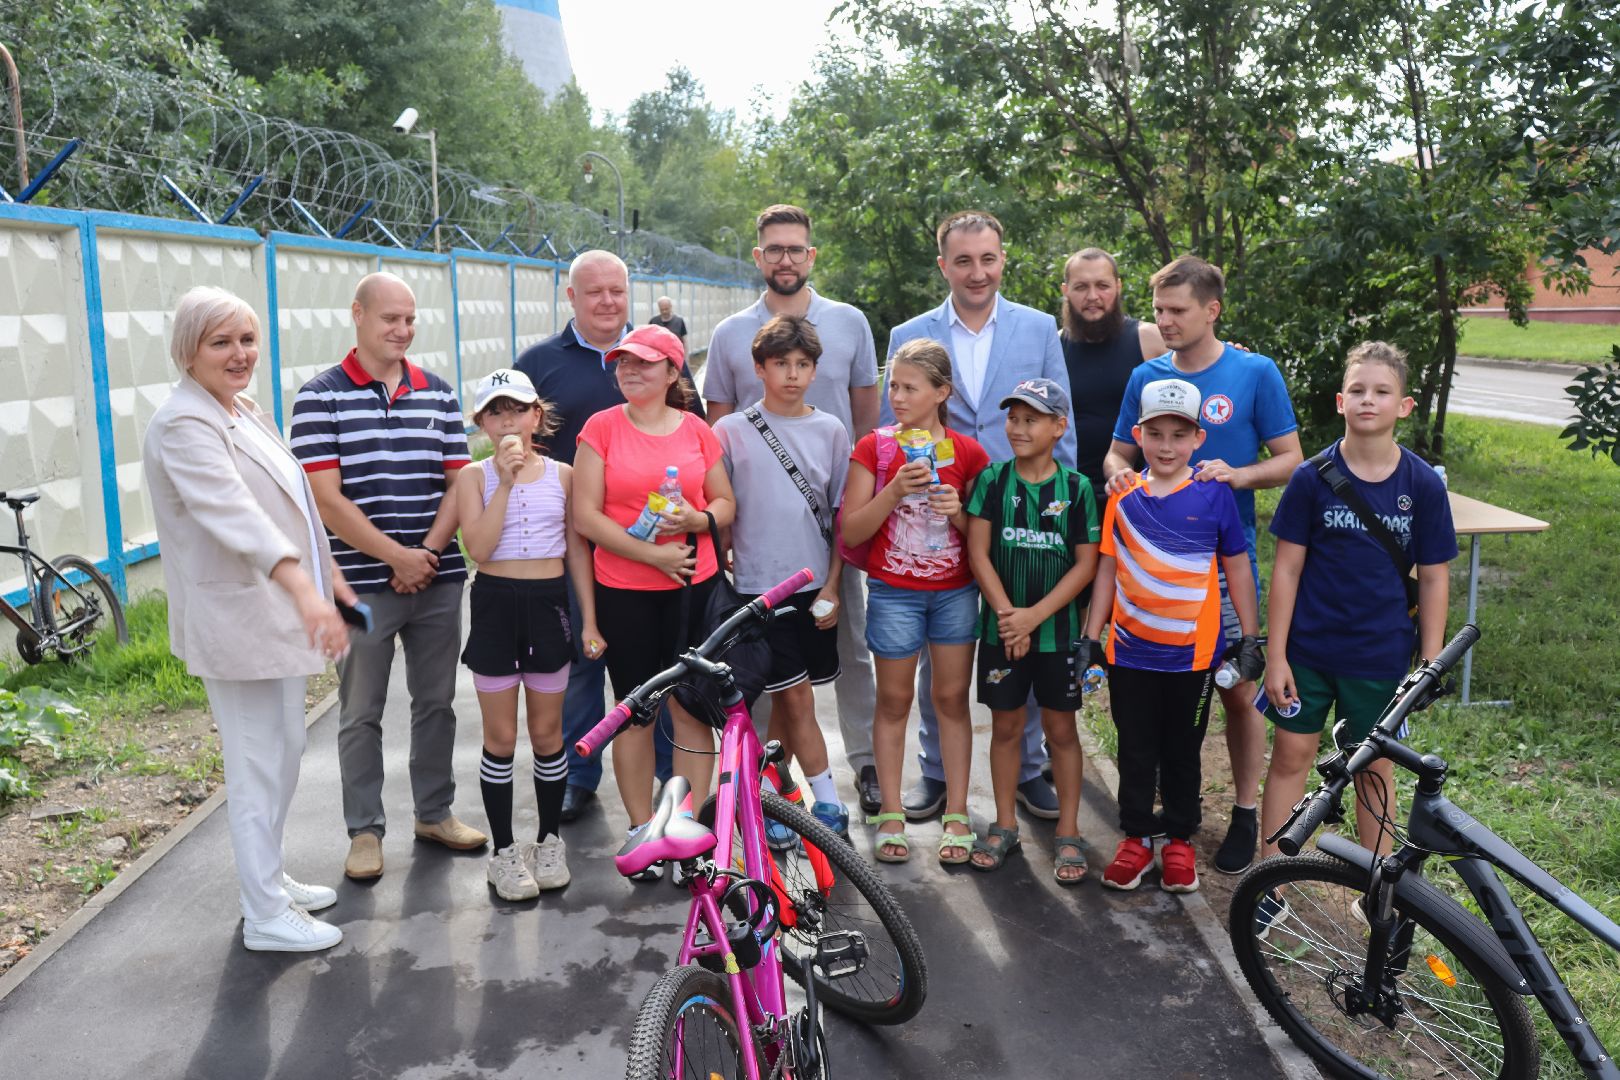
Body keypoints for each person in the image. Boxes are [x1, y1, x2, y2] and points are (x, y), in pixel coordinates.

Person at [144, 286, 355, 952]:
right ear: (189, 351)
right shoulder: (184, 424)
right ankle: (264, 912)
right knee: (256, 761)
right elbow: (234, 513)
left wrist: (331, 579)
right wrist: (302, 587)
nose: (240, 354)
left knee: (284, 751)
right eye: (221, 342)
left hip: (273, 611)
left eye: (247, 339)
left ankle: (269, 880)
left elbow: (292, 502)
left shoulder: (242, 409)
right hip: (238, 616)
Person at [1102, 254, 1302, 875]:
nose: (1164, 321)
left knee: (1238, 693)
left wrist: (1239, 475)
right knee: (1150, 703)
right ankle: (1154, 824)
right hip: (1152, 565)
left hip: (1222, 559)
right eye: (1158, 309)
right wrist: (1121, 478)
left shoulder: (1254, 371)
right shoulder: (1147, 375)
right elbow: (1116, 454)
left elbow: (1293, 458)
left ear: (1211, 310)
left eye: (1177, 311)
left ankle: (1245, 813)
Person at [291, 271, 487, 881]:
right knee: (361, 711)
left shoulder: (440, 392)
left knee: (436, 704)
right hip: (359, 583)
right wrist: (394, 558)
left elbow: (460, 482)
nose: (402, 330)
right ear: (357, 315)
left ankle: (434, 812)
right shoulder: (319, 397)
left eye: (409, 319)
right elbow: (326, 499)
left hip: (437, 577)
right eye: (389, 319)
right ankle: (364, 831)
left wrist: (423, 553)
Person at [884, 209, 1074, 825]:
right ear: (943, 264)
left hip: (1019, 518)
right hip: (936, 520)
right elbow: (899, 422)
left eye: (987, 259)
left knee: (1028, 641)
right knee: (939, 657)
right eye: (963, 260)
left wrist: (1058, 512)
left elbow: (1058, 421)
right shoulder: (911, 332)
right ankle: (935, 773)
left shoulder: (1039, 327)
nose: (977, 271)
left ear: (1002, 260)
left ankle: (1029, 768)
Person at [704, 204, 883, 815]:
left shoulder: (849, 323)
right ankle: (761, 789)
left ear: (812, 255)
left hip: (831, 525)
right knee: (758, 667)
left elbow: (867, 422)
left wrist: (859, 508)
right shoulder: (732, 333)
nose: (786, 258)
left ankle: (865, 765)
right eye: (774, 249)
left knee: (849, 644)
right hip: (757, 537)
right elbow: (716, 438)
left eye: (796, 249)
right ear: (758, 257)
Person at [514, 250, 703, 824]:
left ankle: (670, 776)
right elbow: (520, 439)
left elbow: (693, 439)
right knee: (583, 656)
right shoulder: (540, 361)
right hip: (573, 538)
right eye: (593, 292)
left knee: (663, 669)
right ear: (570, 297)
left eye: (617, 291)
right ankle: (580, 773)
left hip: (655, 546)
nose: (607, 302)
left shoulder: (659, 357)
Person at [1258, 343, 1455, 882]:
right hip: (1307, 654)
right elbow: (1287, 572)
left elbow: (1435, 576)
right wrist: (1275, 656)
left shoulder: (1421, 485)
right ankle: (1270, 882)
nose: (1369, 400)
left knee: (1372, 768)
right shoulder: (1310, 478)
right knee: (1292, 758)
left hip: (1380, 656)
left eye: (1382, 391)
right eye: (1359, 391)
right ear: (1341, 402)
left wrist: (1430, 663)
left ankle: (1379, 888)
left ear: (1405, 406)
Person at [1083, 378, 1263, 893]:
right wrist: (1089, 637)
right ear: (1137, 434)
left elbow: (1239, 570)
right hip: (1130, 653)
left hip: (1192, 657)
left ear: (1198, 439)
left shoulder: (1214, 495)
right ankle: (1137, 838)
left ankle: (1180, 839)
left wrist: (1249, 638)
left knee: (1182, 748)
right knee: (1136, 747)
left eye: (1178, 435)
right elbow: (1105, 572)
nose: (1166, 446)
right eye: (1155, 434)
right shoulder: (1122, 496)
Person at [572, 324, 736, 880]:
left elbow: (725, 501)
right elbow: (586, 516)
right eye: (622, 364)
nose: (629, 371)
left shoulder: (696, 430)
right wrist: (653, 557)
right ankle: (643, 827)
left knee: (692, 710)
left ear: (673, 371)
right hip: (626, 592)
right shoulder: (601, 428)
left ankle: (684, 827)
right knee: (636, 711)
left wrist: (697, 520)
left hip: (696, 591)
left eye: (643, 363)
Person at [842, 339, 989, 865]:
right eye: (893, 386)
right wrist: (893, 491)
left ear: (941, 392)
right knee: (894, 701)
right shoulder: (875, 448)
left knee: (951, 699)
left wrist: (958, 512)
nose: (897, 397)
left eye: (910, 387)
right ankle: (892, 816)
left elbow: (982, 541)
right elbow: (851, 529)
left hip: (954, 592)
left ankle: (956, 813)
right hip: (894, 592)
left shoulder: (969, 454)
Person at [456, 368, 598, 900]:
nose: (507, 419)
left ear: (537, 415)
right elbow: (482, 549)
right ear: (482, 423)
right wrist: (505, 480)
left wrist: (590, 619)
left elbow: (576, 551)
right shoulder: (473, 478)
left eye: (517, 408)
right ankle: (504, 852)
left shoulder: (563, 475)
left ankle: (548, 841)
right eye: (495, 411)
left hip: (547, 606)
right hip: (495, 606)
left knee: (547, 735)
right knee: (500, 739)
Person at [714, 315, 851, 836]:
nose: (792, 374)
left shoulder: (831, 430)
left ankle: (770, 798)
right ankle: (827, 803)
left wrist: (835, 587)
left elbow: (840, 518)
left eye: (802, 364)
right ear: (759, 369)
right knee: (794, 697)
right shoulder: (730, 430)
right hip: (757, 590)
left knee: (792, 701)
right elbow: (722, 508)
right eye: (780, 364)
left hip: (815, 586)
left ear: (815, 370)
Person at [964, 378, 1100, 883]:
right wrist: (1008, 616)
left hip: (1056, 636)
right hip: (1003, 632)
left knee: (1061, 731)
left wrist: (1032, 617)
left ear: (1058, 427)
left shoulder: (1078, 489)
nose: (1019, 429)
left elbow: (1085, 566)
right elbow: (979, 552)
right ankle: (1004, 825)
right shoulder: (993, 482)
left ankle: (1068, 830)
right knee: (1006, 727)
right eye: (1014, 418)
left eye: (1032, 420)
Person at [1060, 247, 1163, 498]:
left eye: (1102, 286)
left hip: (1139, 492)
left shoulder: (1150, 340)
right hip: (1071, 496)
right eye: (1081, 287)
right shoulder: (1053, 348)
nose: (1092, 296)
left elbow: (1202, 362)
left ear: (1118, 286)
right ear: (1066, 291)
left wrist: (1232, 351)